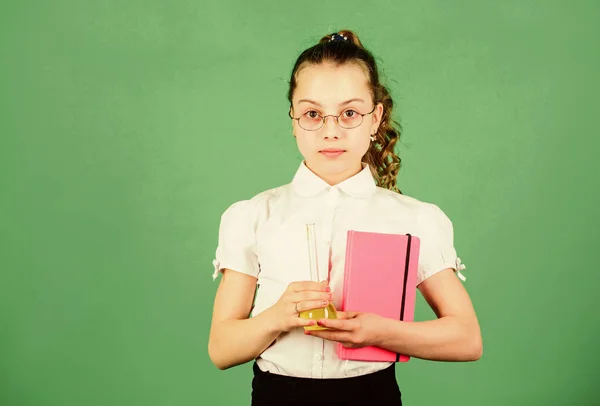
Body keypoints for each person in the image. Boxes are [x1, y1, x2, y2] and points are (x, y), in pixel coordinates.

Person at [208, 29, 482, 406]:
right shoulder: (254, 215)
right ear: (293, 120)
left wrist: (380, 331)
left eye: (350, 113)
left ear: (375, 119)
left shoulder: (415, 219)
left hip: (372, 395)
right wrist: (276, 317)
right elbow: (222, 349)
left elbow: (466, 338)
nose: (331, 131)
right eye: (312, 114)